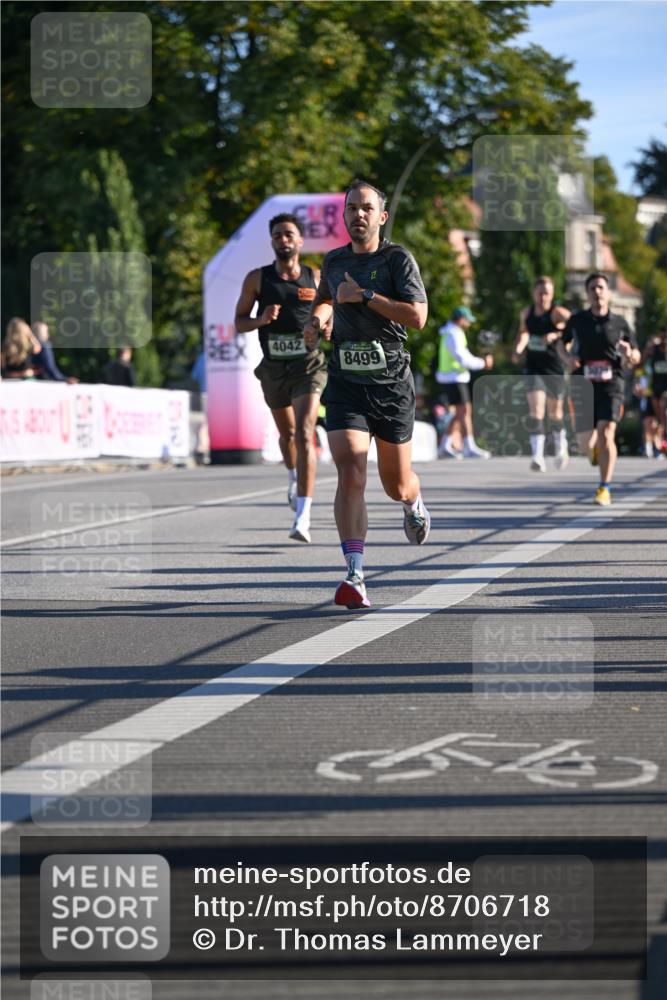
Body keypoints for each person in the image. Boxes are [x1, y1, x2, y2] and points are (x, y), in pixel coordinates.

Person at [303, 179, 430, 610]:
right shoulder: (334, 260)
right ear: (344, 215)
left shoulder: (397, 259)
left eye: (366, 208)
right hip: (346, 383)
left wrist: (366, 296)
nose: (358, 214)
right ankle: (355, 574)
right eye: (351, 208)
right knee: (351, 470)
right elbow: (326, 299)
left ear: (381, 216)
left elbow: (418, 317)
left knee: (396, 484)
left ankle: (413, 501)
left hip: (391, 384)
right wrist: (317, 321)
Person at [235, 213, 328, 544]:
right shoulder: (257, 279)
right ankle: (293, 476)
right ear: (272, 241)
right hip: (274, 368)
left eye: (289, 234)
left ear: (300, 241)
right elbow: (239, 322)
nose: (283, 239)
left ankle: (303, 516)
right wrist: (261, 319)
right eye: (277, 235)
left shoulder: (315, 277)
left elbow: (330, 313)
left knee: (304, 431)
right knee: (287, 435)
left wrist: (326, 327)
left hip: (308, 365)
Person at [560, 273, 640, 505]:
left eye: (601, 287)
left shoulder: (620, 323)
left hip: (612, 385)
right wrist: (568, 358)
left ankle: (604, 487)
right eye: (593, 288)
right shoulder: (577, 320)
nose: (597, 292)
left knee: (606, 433)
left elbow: (636, 353)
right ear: (587, 293)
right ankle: (595, 451)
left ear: (609, 293)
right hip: (583, 385)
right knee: (586, 445)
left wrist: (629, 354)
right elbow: (561, 345)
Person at [511, 277, 570, 472]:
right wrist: (518, 349)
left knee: (555, 413)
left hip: (554, 368)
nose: (543, 297)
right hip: (533, 368)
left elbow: (575, 326)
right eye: (540, 292)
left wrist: (557, 333)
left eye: (547, 293)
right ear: (534, 293)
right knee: (536, 411)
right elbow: (523, 333)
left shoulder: (557, 313)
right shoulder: (526, 313)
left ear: (552, 295)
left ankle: (561, 446)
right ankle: (537, 456)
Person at [435, 306, 493, 459]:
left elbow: (464, 356)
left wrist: (480, 362)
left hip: (452, 378)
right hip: (454, 378)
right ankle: (469, 447)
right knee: (465, 411)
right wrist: (483, 363)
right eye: (467, 320)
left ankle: (444, 446)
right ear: (461, 320)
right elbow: (462, 358)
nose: (469, 323)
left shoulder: (450, 332)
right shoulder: (454, 334)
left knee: (458, 413)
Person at [642, 327, 667, 457]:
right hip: (655, 388)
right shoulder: (653, 349)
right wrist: (638, 380)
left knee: (664, 409)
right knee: (657, 419)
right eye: (663, 337)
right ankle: (659, 444)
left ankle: (661, 441)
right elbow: (640, 364)